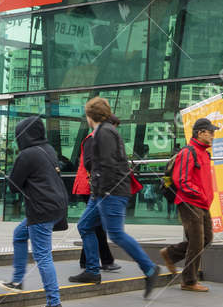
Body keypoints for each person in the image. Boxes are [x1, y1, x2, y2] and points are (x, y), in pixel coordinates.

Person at [68, 97, 158, 296]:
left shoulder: (105, 132)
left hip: (110, 192)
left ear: (90, 116)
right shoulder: (105, 131)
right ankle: (92, 271)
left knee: (116, 234)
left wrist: (103, 191)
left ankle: (150, 268)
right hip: (103, 192)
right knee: (85, 226)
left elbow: (107, 165)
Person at [0, 116, 68, 307]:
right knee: (19, 234)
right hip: (56, 206)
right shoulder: (48, 149)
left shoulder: (27, 155)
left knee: (43, 256)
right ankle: (17, 281)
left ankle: (53, 302)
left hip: (41, 209)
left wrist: (9, 175)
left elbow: (13, 186)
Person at [158, 118, 215, 293]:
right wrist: (200, 194)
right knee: (197, 241)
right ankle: (189, 281)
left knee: (207, 238)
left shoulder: (205, 153)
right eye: (210, 132)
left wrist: (206, 197)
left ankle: (170, 254)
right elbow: (181, 181)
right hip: (189, 202)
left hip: (202, 203)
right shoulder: (188, 152)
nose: (213, 135)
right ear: (200, 133)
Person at [72, 130, 118, 272]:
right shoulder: (92, 138)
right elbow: (90, 163)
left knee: (93, 224)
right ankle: (105, 260)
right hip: (89, 186)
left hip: (92, 185)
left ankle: (87, 260)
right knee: (96, 225)